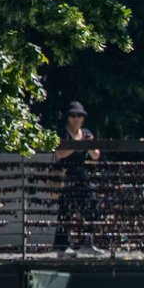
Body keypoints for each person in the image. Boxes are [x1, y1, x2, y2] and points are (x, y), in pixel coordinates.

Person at [54, 101, 98, 254]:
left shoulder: (86, 133)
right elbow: (59, 153)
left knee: (91, 201)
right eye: (73, 115)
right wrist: (77, 144)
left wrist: (89, 144)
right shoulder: (61, 134)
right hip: (66, 172)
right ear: (68, 117)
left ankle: (87, 241)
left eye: (79, 115)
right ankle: (61, 245)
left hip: (81, 172)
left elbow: (96, 155)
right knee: (65, 208)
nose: (76, 118)